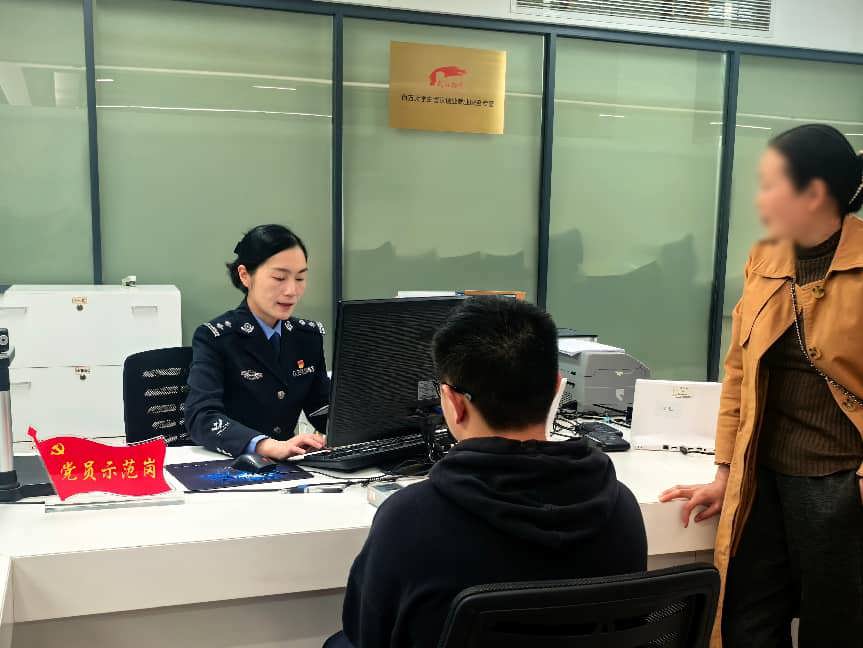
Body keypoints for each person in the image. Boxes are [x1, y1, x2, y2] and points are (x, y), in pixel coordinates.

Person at [327, 297, 647, 648]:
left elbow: (366, 634)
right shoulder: (620, 507)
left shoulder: (408, 520)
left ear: (453, 403)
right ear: (558, 388)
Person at [660, 124, 863, 647]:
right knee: (745, 623)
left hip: (841, 486)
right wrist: (726, 472)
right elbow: (739, 372)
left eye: (771, 184)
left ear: (814, 193)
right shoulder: (766, 257)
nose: (760, 198)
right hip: (763, 477)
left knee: (837, 629)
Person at [185, 224, 329, 459]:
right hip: (233, 464)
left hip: (290, 465)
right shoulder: (216, 337)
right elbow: (202, 417)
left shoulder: (307, 337)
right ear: (245, 275)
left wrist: (355, 429)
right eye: (279, 277)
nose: (292, 290)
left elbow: (321, 408)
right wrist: (267, 446)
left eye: (300, 278)